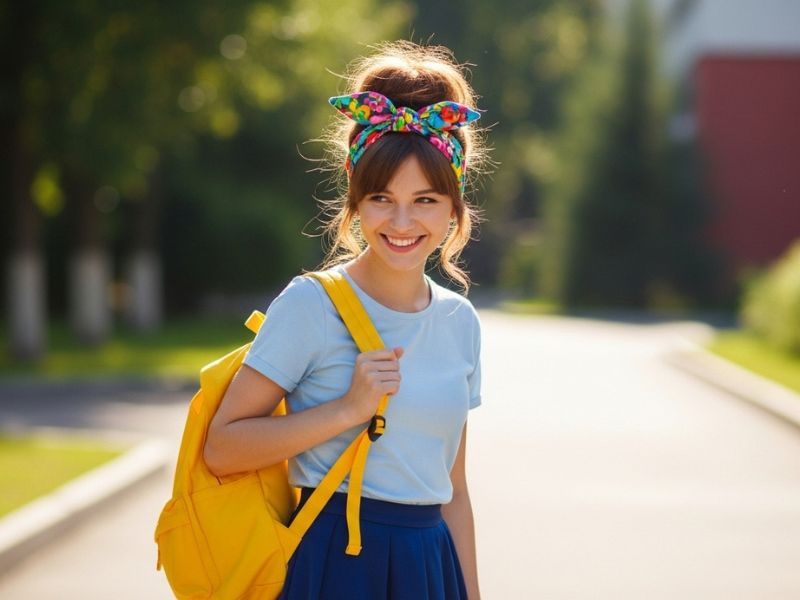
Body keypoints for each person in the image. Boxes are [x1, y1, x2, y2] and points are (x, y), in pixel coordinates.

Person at [203, 41, 487, 600]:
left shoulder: (459, 321)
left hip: (430, 566)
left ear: (454, 208)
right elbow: (222, 447)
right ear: (355, 203)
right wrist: (346, 411)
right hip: (336, 563)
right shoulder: (312, 305)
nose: (402, 222)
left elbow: (452, 488)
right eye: (382, 197)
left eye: (426, 200)